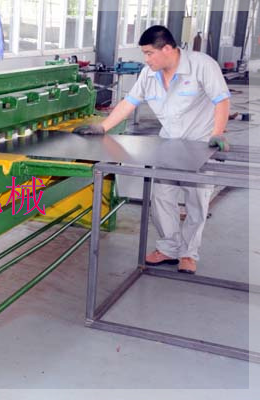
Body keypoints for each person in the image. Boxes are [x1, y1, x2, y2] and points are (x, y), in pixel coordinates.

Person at [74, 25, 231, 274]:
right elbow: (129, 102)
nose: (146, 59)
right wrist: (103, 127)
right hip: (168, 144)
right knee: (161, 198)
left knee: (196, 203)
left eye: (149, 53)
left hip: (200, 145)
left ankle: (188, 254)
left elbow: (221, 100)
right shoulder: (149, 74)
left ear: (167, 49)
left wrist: (218, 133)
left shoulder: (202, 65)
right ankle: (169, 248)